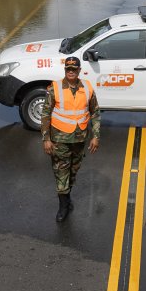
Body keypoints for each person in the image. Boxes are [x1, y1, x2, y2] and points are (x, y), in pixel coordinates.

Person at [40, 56, 100, 222]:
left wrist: (96, 136)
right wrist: (46, 139)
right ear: (65, 70)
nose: (71, 71)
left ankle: (67, 196)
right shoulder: (55, 88)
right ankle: (63, 205)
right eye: (68, 69)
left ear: (79, 70)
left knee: (73, 171)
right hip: (59, 139)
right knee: (61, 171)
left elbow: (95, 112)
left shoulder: (87, 87)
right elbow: (45, 115)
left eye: (74, 69)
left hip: (80, 139)